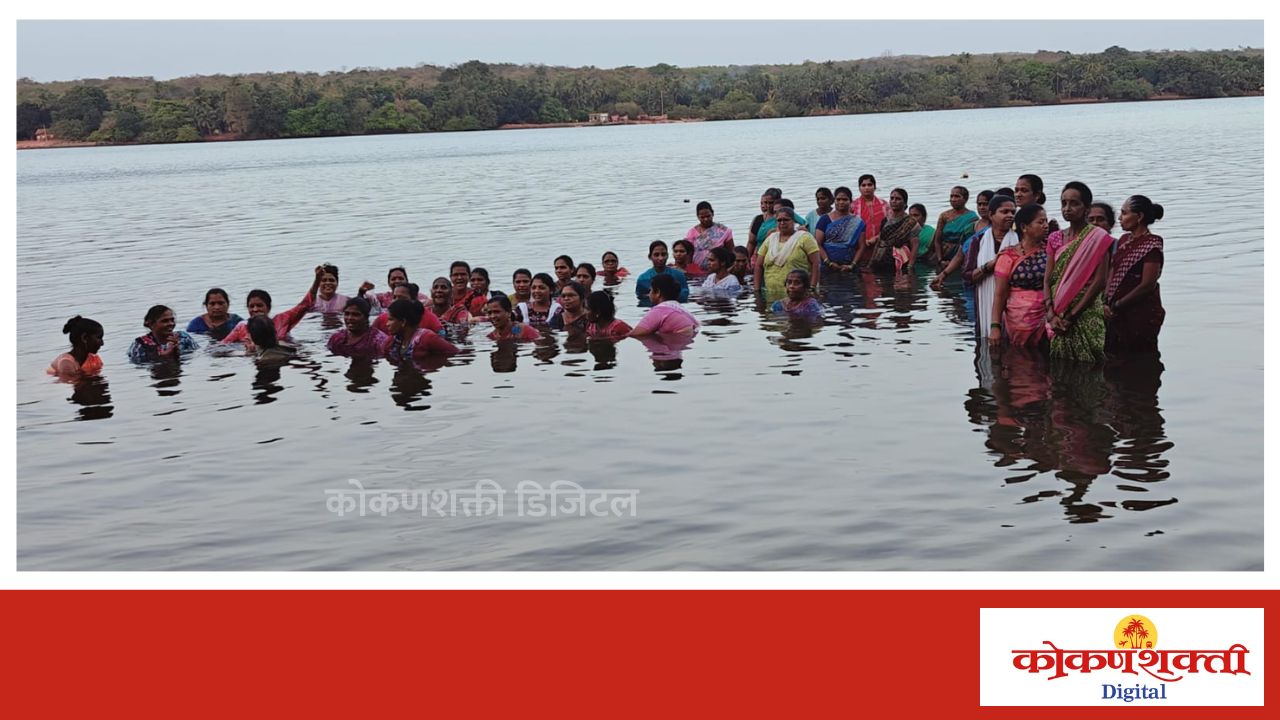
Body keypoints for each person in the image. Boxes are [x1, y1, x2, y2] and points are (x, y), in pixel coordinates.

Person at [1044, 181, 1113, 363]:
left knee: (1090, 369)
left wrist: (1072, 316)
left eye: (1074, 203)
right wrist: (1050, 313)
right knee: (1060, 367)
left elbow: (1100, 281)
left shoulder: (1098, 238)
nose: (1067, 208)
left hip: (1086, 312)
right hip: (1057, 314)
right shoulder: (1055, 238)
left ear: (1087, 208)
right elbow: (1048, 279)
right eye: (1063, 203)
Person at [1105, 195, 1166, 354]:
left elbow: (1147, 285)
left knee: (1139, 357)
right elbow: (1113, 270)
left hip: (1139, 312)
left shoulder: (1152, 244)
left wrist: (1118, 305)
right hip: (1115, 310)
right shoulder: (1124, 239)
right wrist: (1106, 301)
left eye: (1124, 213)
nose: (1119, 218)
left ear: (1139, 217)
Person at [989, 203, 1049, 348]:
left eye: (1046, 221)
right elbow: (1000, 294)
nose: (1046, 226)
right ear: (1024, 227)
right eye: (1040, 222)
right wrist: (995, 326)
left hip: (1048, 316)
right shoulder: (1008, 256)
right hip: (1019, 320)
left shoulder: (1052, 251)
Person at [963, 194, 1019, 340]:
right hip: (984, 303)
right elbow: (968, 276)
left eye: (1013, 212)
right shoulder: (978, 241)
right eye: (1004, 212)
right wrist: (990, 266)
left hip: (1015, 305)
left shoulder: (1020, 239)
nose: (1010, 216)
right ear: (991, 215)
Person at [220, 272, 324, 347]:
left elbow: (304, 306)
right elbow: (222, 346)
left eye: (259, 305)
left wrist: (317, 281)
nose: (255, 309)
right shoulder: (242, 327)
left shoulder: (281, 320)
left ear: (268, 307)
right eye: (251, 306)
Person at [754, 207, 821, 301]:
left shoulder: (805, 238)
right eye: (779, 220)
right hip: (771, 293)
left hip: (799, 294)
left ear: (793, 221)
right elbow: (758, 265)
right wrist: (757, 291)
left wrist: (812, 288)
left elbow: (816, 264)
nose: (782, 223)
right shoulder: (771, 239)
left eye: (785, 220)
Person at [932, 189, 993, 289]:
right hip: (971, 272)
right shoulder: (970, 228)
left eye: (985, 204)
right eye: (979, 204)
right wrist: (943, 274)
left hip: (990, 272)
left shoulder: (998, 228)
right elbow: (960, 255)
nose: (982, 207)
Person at [384, 299, 460, 364]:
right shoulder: (392, 340)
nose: (387, 324)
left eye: (391, 319)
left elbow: (454, 353)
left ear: (403, 322)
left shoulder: (428, 338)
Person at [867, 187, 920, 274]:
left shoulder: (910, 223)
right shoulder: (885, 220)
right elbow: (879, 242)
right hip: (881, 260)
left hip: (900, 262)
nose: (894, 201)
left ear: (905, 203)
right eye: (892, 198)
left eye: (898, 199)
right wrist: (871, 263)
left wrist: (910, 267)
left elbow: (915, 246)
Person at [629, 273, 699, 336]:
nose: (649, 294)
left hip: (673, 345)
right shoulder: (681, 309)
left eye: (650, 290)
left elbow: (636, 334)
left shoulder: (660, 310)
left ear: (658, 293)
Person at [814, 185, 864, 271]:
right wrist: (828, 262)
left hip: (850, 267)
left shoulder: (858, 222)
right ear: (834, 201)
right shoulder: (825, 219)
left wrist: (852, 265)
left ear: (850, 201)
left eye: (845, 199)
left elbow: (861, 246)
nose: (841, 202)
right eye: (838, 199)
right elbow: (817, 244)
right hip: (827, 267)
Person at [128, 305, 199, 362]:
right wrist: (163, 357)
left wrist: (176, 352)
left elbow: (197, 354)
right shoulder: (140, 344)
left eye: (172, 320)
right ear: (151, 324)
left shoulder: (183, 337)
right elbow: (138, 363)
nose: (171, 323)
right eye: (165, 321)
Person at [931, 186, 979, 265]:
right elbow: (937, 241)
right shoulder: (944, 216)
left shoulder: (972, 218)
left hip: (962, 255)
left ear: (965, 199)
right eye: (951, 196)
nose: (953, 199)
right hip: (944, 256)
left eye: (957, 196)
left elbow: (972, 242)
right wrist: (940, 260)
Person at [373, 283, 443, 334]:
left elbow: (442, 337)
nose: (396, 301)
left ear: (414, 299)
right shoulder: (383, 318)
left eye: (401, 298)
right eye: (394, 297)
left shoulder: (429, 318)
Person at [685, 201, 734, 273]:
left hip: (718, 270)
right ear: (697, 216)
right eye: (702, 217)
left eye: (708, 216)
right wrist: (689, 270)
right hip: (698, 271)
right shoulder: (692, 233)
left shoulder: (724, 231)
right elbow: (689, 254)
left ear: (713, 213)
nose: (706, 219)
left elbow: (731, 251)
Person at [308, 263, 373, 313]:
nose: (328, 283)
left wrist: (361, 293)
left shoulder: (346, 301)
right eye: (324, 280)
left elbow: (362, 309)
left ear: (337, 283)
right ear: (318, 283)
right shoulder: (312, 303)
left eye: (331, 280)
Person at [851, 174, 889, 246]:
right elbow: (850, 228)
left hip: (881, 243)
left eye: (869, 185)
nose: (867, 188)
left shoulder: (884, 205)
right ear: (859, 188)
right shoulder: (853, 206)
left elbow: (889, 225)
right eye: (863, 185)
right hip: (859, 244)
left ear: (874, 187)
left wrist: (877, 238)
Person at [747, 187, 783, 257]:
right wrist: (747, 259)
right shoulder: (758, 219)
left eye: (771, 203)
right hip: (759, 256)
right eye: (766, 203)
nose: (768, 206)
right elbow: (751, 243)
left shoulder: (784, 218)